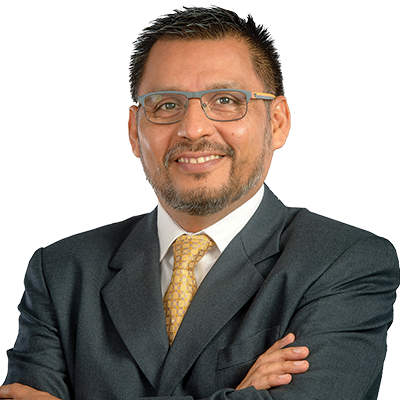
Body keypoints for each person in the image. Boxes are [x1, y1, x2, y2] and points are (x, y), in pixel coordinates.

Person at [1, 5, 399, 400]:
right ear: (134, 130)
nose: (192, 129)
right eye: (167, 105)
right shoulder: (62, 272)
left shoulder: (345, 262)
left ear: (277, 123)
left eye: (226, 100)